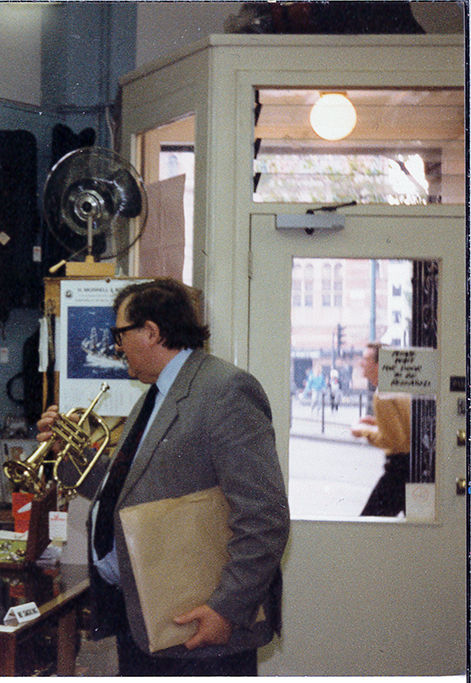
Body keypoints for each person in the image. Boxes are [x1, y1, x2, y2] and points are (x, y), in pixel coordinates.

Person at [37, 278, 289, 676]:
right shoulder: (153, 397)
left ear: (151, 331)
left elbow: (265, 516)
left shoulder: (225, 390)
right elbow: (121, 490)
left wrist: (226, 609)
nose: (117, 347)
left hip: (198, 629)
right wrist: (66, 455)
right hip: (145, 619)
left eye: (120, 335)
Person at [351, 342, 410, 517]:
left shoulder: (382, 394)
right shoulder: (397, 386)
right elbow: (403, 427)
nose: (361, 363)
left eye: (366, 359)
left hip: (399, 472)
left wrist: (363, 431)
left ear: (379, 365)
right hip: (413, 468)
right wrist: (377, 423)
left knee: (369, 526)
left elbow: (393, 441)